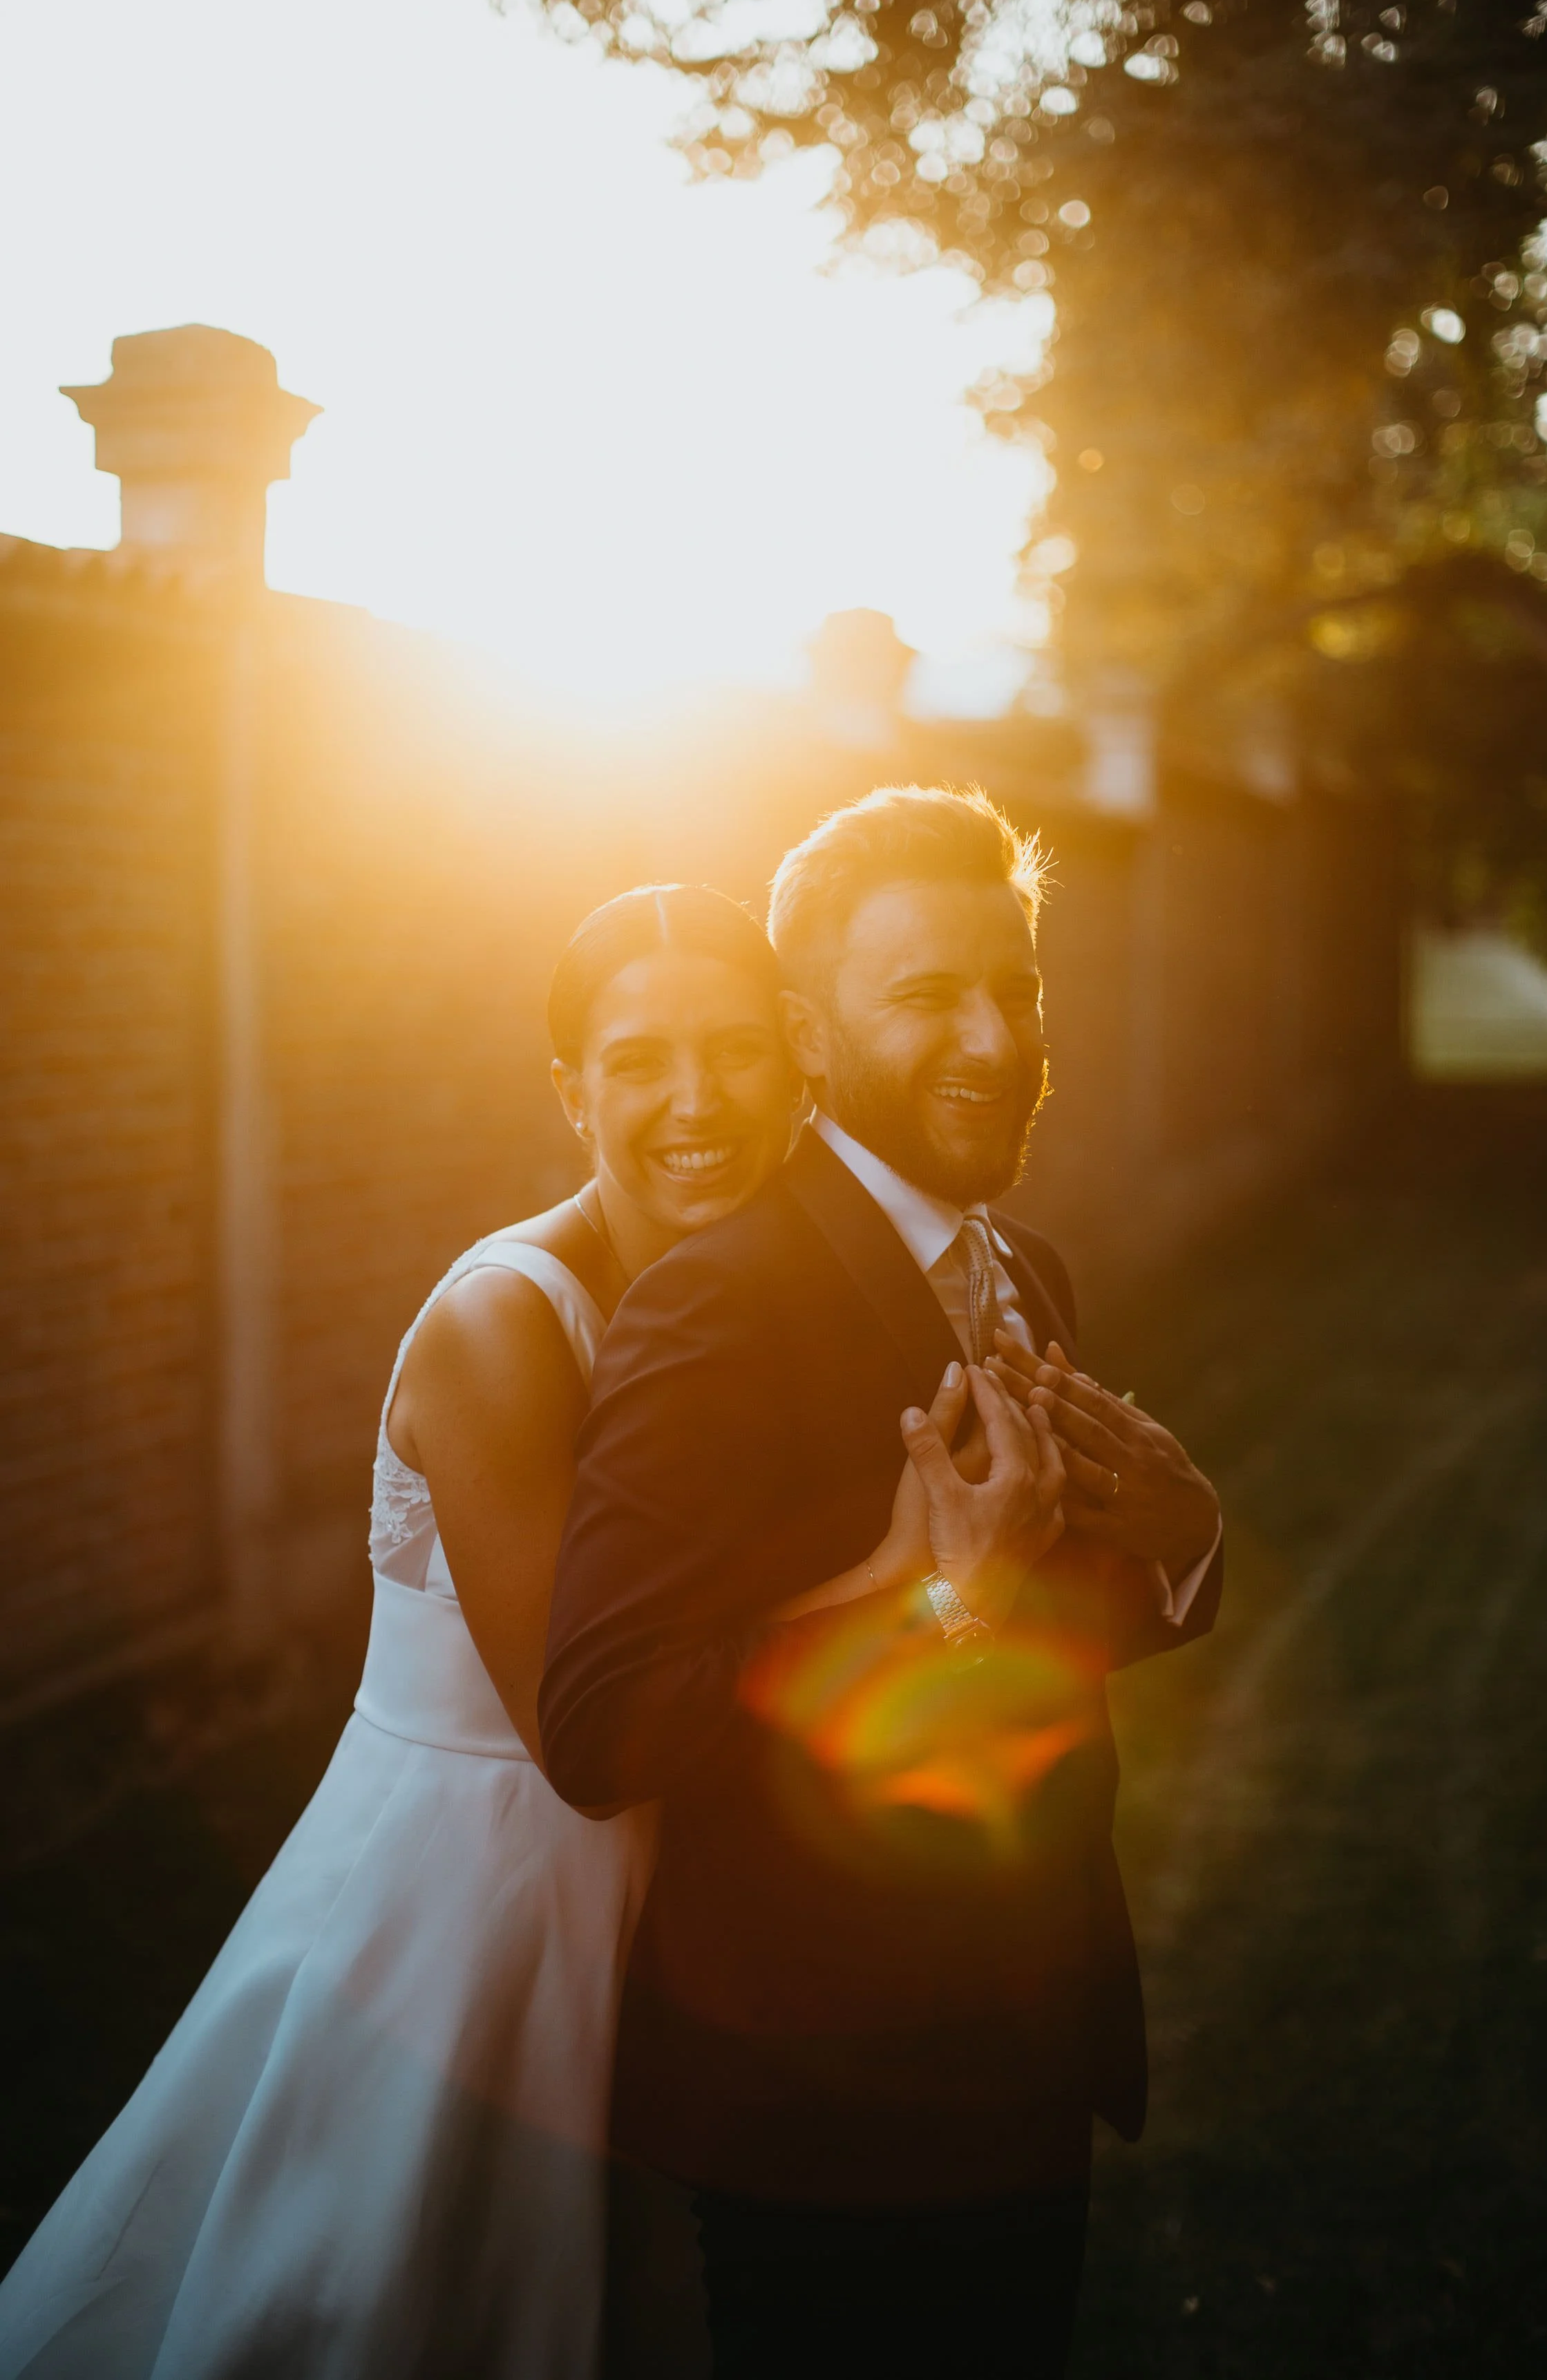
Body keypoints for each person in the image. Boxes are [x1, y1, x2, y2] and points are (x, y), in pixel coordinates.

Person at [0, 883, 978, 2380]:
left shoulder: (769, 1301)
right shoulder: (503, 1325)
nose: (693, 1100)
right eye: (638, 1059)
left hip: (676, 1894)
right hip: (470, 1902)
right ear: (570, 1089)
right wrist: (899, 1578)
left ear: (794, 1059)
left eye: (729, 1049)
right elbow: (565, 1720)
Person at [541, 788, 1225, 2379]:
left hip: (1020, 2050)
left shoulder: (1023, 1266)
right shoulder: (717, 1304)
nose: (993, 1038)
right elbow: (601, 1719)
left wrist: (1185, 1541)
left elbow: (1042, 1614)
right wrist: (929, 1599)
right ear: (807, 1028)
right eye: (926, 997)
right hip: (825, 2106)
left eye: (1017, 989)